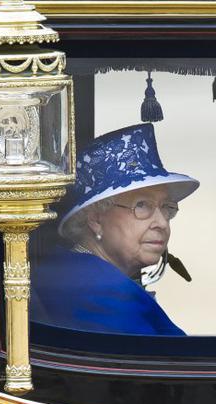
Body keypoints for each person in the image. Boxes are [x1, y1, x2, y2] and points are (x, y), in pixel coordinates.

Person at [32, 123, 199, 336]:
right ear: (95, 219)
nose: (162, 223)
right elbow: (170, 357)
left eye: (166, 207)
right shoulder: (100, 288)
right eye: (142, 205)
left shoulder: (74, 273)